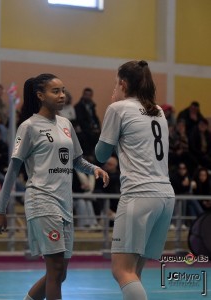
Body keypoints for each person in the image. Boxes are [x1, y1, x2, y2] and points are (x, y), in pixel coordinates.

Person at [0, 73, 109, 300]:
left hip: (65, 203)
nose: (62, 95)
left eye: (63, 90)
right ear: (40, 95)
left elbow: (76, 160)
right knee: (54, 270)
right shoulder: (28, 127)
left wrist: (93, 168)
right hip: (42, 200)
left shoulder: (66, 124)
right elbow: (13, 170)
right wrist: (0, 209)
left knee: (60, 273)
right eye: (55, 91)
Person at [95, 60, 175, 300]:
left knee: (121, 270)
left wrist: (111, 110)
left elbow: (100, 154)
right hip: (165, 196)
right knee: (134, 272)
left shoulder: (118, 109)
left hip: (139, 195)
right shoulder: (158, 111)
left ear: (123, 83)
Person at [74, 87, 101, 156]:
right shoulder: (78, 106)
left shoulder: (92, 106)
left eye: (89, 95)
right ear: (83, 95)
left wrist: (98, 127)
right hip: (85, 130)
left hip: (93, 128)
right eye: (86, 94)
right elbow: (81, 121)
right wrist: (92, 129)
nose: (88, 97)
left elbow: (95, 118)